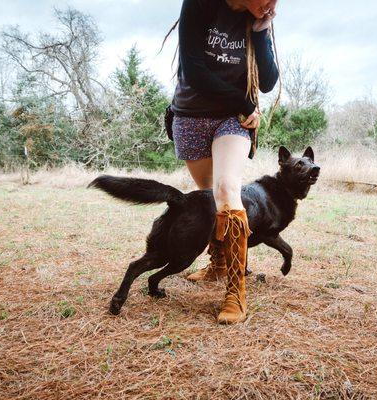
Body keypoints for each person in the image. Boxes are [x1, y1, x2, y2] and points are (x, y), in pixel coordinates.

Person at [170, 0, 279, 324]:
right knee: (208, 194)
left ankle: (236, 291)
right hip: (190, 115)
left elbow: (268, 81)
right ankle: (218, 263)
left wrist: (261, 31)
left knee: (228, 188)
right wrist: (244, 102)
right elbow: (194, 70)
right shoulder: (201, 4)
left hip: (234, 119)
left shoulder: (255, 19)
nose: (272, 4)